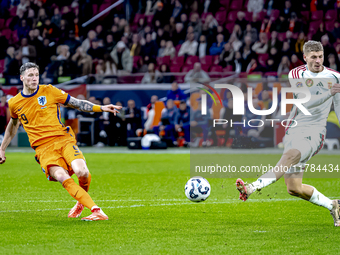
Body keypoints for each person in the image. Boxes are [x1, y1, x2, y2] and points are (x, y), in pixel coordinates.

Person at [0, 62, 122, 221]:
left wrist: (101, 108)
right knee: (61, 175)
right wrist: (2, 149)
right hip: (43, 148)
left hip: (63, 139)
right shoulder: (14, 103)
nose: (34, 78)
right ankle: (96, 210)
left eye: (36, 75)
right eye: (30, 75)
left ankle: (81, 202)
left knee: (82, 172)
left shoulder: (49, 91)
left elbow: (77, 103)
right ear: (22, 78)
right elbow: (13, 125)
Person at [236, 41, 340, 227]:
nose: (318, 60)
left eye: (321, 56)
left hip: (315, 132)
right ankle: (333, 205)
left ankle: (252, 187)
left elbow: (339, 107)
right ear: (305, 58)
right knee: (294, 188)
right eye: (314, 57)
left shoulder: (335, 77)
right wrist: (328, 94)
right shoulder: (296, 74)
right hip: (294, 129)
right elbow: (305, 102)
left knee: (288, 157)